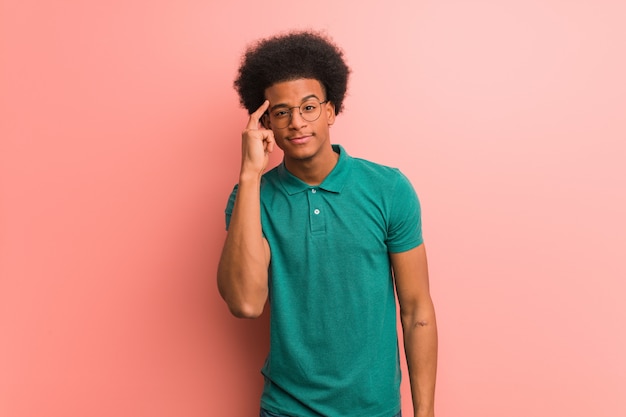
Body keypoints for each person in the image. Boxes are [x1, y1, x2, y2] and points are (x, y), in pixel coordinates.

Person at [217, 31, 437, 417]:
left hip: (375, 409)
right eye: (282, 112)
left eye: (309, 107)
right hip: (288, 408)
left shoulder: (388, 189)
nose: (297, 122)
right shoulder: (251, 198)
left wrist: (426, 413)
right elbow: (246, 303)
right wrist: (250, 175)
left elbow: (416, 310)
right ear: (265, 121)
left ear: (332, 110)